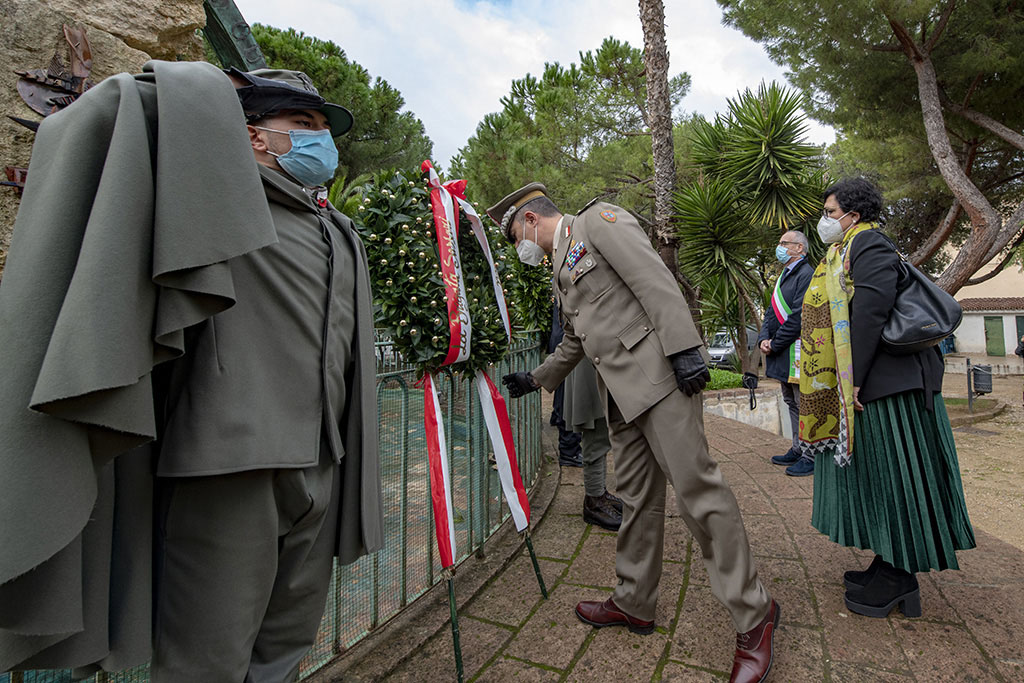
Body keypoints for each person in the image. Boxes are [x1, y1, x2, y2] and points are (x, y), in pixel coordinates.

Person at [0, 63, 383, 682]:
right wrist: (211, 88)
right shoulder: (206, 199)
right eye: (303, 124)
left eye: (324, 127)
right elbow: (112, 115)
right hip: (227, 467)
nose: (321, 141)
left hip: (323, 463)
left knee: (286, 645)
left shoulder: (339, 231)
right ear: (253, 135)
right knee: (205, 662)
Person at [490, 184, 778, 683]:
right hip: (622, 398)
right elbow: (579, 340)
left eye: (517, 235)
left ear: (531, 220)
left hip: (661, 381)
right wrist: (536, 379)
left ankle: (755, 616)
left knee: (699, 495)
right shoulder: (562, 268)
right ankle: (634, 601)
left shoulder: (598, 222)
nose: (522, 248)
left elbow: (654, 279)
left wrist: (686, 348)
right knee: (638, 501)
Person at [801, 177, 975, 620]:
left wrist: (851, 378)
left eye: (830, 211)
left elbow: (870, 313)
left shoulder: (869, 245)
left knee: (896, 476)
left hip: (891, 386)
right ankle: (887, 560)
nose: (825, 220)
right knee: (880, 474)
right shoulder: (845, 250)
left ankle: (900, 577)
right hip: (881, 383)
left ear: (853, 216)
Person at [758, 230, 814, 476]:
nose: (779, 247)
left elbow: (799, 316)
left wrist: (775, 343)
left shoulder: (806, 274)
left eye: (784, 243)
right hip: (782, 349)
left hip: (797, 350)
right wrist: (763, 338)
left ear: (799, 248)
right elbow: (771, 311)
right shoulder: (784, 274)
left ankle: (811, 455)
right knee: (790, 400)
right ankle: (797, 447)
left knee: (804, 402)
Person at [565, 356, 623, 530]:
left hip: (597, 362)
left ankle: (599, 493)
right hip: (590, 364)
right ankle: (593, 501)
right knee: (595, 433)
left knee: (602, 434)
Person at [549, 300, 585, 468]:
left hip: (561, 341)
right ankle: (569, 450)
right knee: (571, 399)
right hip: (567, 344)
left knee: (563, 396)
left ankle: (557, 417)